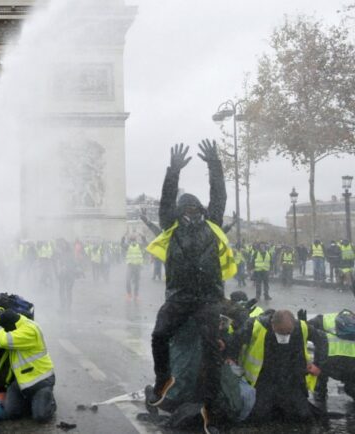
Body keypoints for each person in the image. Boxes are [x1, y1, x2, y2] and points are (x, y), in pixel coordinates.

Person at [144, 141, 233, 433]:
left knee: (211, 355)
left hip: (208, 298)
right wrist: (173, 171)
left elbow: (219, 194)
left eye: (196, 208)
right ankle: (163, 380)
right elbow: (166, 200)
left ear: (203, 210)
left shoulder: (214, 223)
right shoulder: (171, 226)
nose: (192, 212)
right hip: (180, 296)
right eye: (188, 208)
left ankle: (212, 408)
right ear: (180, 211)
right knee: (159, 335)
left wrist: (214, 164)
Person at [227, 310, 325, 423]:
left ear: (294, 325)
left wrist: (318, 364)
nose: (284, 336)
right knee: (259, 416)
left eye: (288, 332)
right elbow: (234, 340)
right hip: (264, 377)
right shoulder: (256, 325)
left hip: (291, 378)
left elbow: (322, 339)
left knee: (301, 416)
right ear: (273, 324)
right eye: (280, 332)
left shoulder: (301, 327)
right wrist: (231, 358)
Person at [0, 310, 56, 423]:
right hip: (21, 382)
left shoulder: (29, 331)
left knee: (40, 417)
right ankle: (32, 400)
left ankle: (49, 401)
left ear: (11, 327)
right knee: (11, 413)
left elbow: (4, 340)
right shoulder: (18, 320)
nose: (5, 332)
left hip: (40, 380)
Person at [306, 310, 355, 403]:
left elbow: (308, 329)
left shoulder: (329, 319)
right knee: (352, 387)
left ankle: (320, 394)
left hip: (327, 362)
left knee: (319, 364)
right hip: (351, 368)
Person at [125, 236, 143, 301]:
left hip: (137, 266)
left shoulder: (139, 246)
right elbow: (122, 244)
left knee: (137, 282)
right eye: (132, 240)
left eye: (134, 240)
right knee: (128, 281)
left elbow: (146, 243)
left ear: (136, 240)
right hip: (130, 266)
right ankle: (129, 294)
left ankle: (136, 295)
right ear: (130, 241)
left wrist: (143, 236)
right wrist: (124, 236)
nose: (133, 241)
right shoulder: (128, 246)